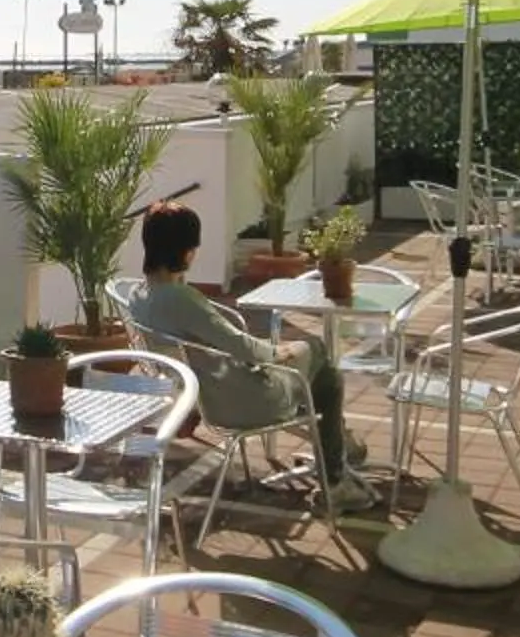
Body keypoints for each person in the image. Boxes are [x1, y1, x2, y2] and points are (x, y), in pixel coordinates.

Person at [128, 203, 375, 512]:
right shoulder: (181, 300)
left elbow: (221, 340)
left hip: (207, 393)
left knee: (311, 369)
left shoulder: (137, 295)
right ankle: (336, 476)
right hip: (240, 399)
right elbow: (242, 347)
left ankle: (337, 448)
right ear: (187, 251)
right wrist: (278, 352)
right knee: (322, 364)